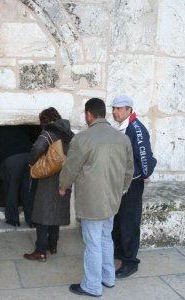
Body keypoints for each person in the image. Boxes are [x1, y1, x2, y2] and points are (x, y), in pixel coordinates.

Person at [59, 98, 134, 297]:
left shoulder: (82, 139)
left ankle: (92, 285)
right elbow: (129, 171)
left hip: (92, 202)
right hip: (112, 200)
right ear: (104, 113)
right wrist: (122, 190)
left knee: (93, 243)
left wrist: (63, 186)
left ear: (88, 115)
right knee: (105, 238)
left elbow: (71, 168)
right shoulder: (122, 138)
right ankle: (108, 277)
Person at [110, 95, 157, 279]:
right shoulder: (122, 127)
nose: (115, 111)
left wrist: (144, 175)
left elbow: (144, 156)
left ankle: (130, 261)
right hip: (121, 182)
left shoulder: (135, 128)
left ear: (129, 110)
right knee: (119, 219)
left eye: (119, 108)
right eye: (114, 108)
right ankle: (120, 251)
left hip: (132, 182)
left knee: (129, 222)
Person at [23, 107, 74, 262]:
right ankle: (52, 246)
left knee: (42, 215)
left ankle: (40, 251)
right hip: (65, 176)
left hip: (48, 177)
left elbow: (37, 148)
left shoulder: (48, 132)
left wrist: (32, 163)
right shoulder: (69, 133)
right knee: (56, 213)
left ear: (44, 120)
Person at [0, 126, 34, 227]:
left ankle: (13, 219)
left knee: (11, 189)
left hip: (11, 160)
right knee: (28, 190)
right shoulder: (20, 128)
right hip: (29, 157)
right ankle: (31, 220)